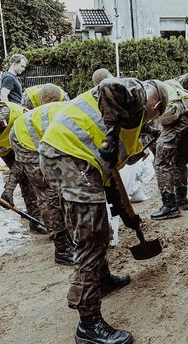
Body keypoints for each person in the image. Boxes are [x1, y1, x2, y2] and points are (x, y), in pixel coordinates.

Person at [38, 77, 168, 344]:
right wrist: (111, 133)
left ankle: (103, 279)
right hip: (69, 157)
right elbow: (110, 85)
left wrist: (125, 213)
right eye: (156, 114)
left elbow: (110, 182)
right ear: (154, 104)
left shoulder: (132, 124)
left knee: (100, 224)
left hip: (74, 160)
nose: (152, 121)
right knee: (91, 238)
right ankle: (89, 326)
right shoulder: (135, 96)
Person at [1, 101, 75, 265]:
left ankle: (69, 237)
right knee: (48, 192)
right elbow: (22, 163)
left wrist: (8, 189)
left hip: (35, 132)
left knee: (63, 185)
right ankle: (62, 249)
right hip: (24, 137)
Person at [0, 101, 44, 234]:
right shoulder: (2, 117)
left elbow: (21, 164)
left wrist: (8, 191)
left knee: (27, 175)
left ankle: (36, 219)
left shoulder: (32, 131)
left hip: (5, 146)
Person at [151, 73, 188, 220]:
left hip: (174, 114)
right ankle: (182, 199)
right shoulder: (174, 81)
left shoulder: (145, 91)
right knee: (181, 159)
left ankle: (170, 205)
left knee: (162, 162)